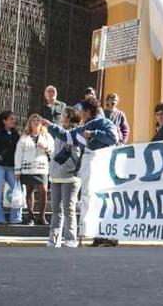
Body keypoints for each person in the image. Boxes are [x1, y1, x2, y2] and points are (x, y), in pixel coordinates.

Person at [42, 97, 118, 247]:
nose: (80, 114)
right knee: (92, 201)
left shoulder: (104, 122)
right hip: (90, 170)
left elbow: (113, 137)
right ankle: (99, 236)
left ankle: (108, 236)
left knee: (102, 201)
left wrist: (94, 133)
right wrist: (50, 126)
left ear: (87, 111)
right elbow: (68, 137)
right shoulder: (84, 126)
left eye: (81, 111)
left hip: (103, 169)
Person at [47, 107, 82, 248]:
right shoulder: (58, 131)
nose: (61, 116)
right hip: (56, 176)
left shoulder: (76, 133)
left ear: (69, 117)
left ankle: (70, 239)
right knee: (56, 210)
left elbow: (77, 154)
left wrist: (68, 167)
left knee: (69, 209)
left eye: (64, 115)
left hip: (70, 177)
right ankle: (53, 239)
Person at [15, 114, 54, 226]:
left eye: (38, 120)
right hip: (28, 169)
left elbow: (53, 150)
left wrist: (45, 147)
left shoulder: (47, 136)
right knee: (29, 191)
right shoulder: (24, 138)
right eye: (34, 120)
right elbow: (18, 154)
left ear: (42, 123)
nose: (36, 122)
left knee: (44, 191)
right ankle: (30, 217)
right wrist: (17, 170)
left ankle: (41, 216)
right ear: (30, 123)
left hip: (42, 168)